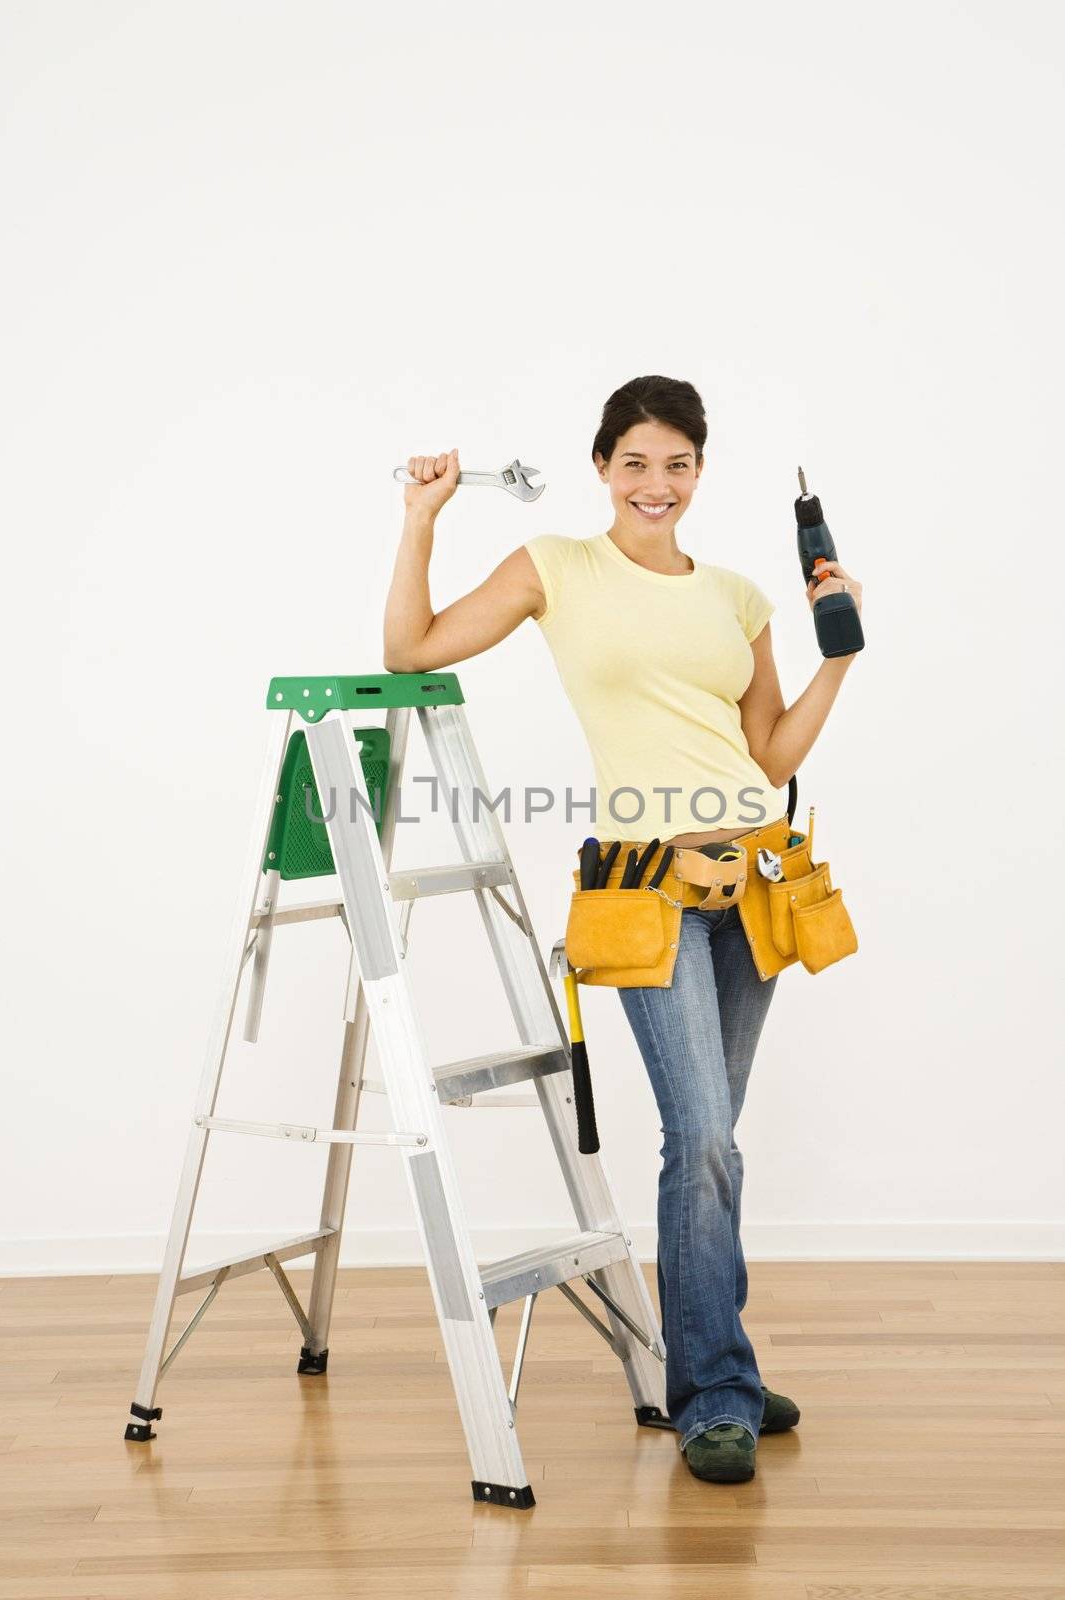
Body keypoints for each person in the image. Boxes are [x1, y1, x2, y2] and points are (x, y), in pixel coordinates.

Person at [383, 374, 863, 1485]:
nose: (657, 483)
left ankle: (717, 1362)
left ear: (700, 472)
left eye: (678, 464)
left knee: (713, 1144)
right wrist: (420, 520)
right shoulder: (558, 567)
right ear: (602, 465)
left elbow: (771, 756)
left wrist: (835, 651)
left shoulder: (738, 596)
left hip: (754, 885)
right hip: (643, 893)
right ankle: (708, 1397)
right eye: (636, 461)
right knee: (698, 1137)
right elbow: (411, 648)